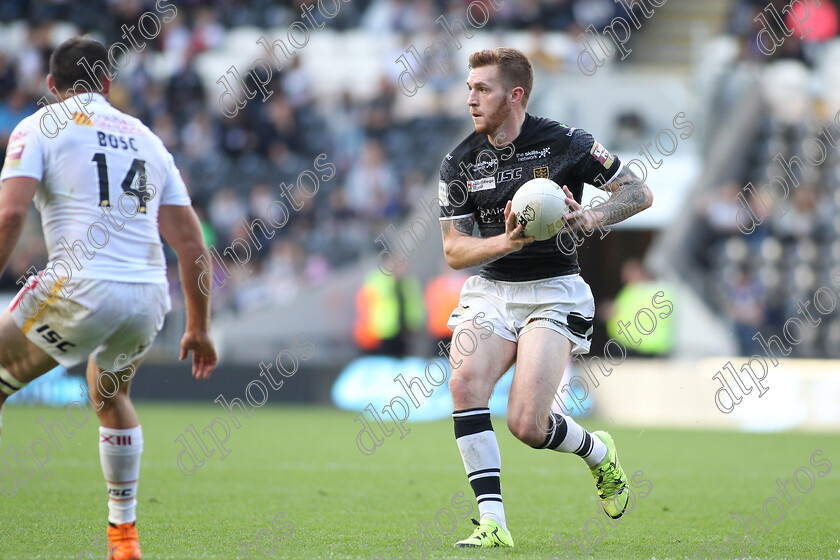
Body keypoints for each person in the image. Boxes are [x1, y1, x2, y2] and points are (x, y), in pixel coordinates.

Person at [0, 37, 217, 560]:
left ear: (51, 86)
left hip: (82, 286)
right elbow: (191, 244)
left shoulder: (40, 125)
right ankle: (124, 538)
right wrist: (199, 326)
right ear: (106, 83)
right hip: (146, 301)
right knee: (108, 394)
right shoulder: (147, 139)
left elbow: (10, 215)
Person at [438, 47, 653, 548]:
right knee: (464, 384)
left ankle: (599, 453)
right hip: (491, 290)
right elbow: (454, 249)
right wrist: (507, 242)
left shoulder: (567, 143)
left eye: (482, 88)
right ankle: (494, 524)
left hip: (553, 293)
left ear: (515, 95)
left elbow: (638, 193)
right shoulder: (459, 162)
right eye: (469, 87)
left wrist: (595, 216)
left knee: (527, 425)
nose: (470, 98)